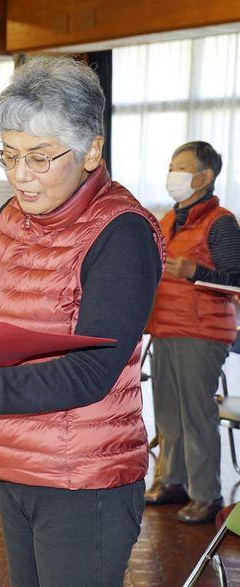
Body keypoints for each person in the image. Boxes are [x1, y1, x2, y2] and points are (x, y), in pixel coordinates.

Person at [0, 57, 165, 586]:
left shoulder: (122, 234)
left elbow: (90, 373)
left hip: (81, 476)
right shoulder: (11, 217)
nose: (20, 174)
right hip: (10, 457)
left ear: (92, 150)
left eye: (41, 158)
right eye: (10, 155)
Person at [144, 141, 240, 524]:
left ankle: (206, 495)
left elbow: (235, 281)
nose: (173, 173)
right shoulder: (168, 218)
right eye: (171, 164)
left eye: (181, 166)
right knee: (168, 414)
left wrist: (195, 273)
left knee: (196, 415)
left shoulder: (222, 223)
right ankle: (173, 481)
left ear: (205, 176)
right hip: (166, 326)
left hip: (202, 332)